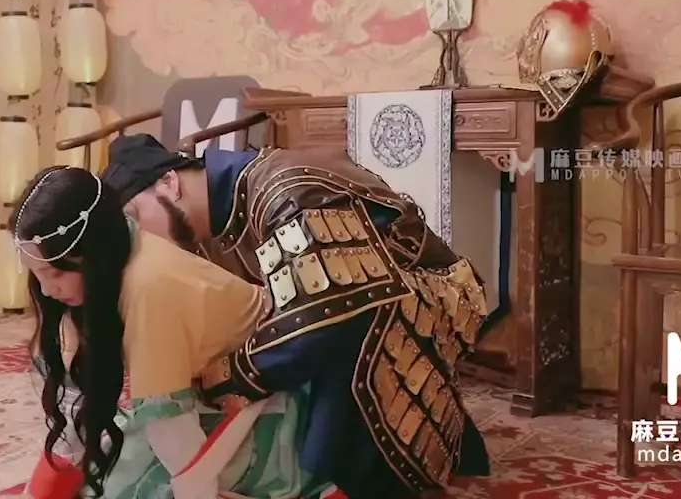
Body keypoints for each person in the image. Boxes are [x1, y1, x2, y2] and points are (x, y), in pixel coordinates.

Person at [97, 133, 492, 498]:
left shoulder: (285, 189)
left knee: (338, 314)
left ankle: (344, 474)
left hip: (405, 306)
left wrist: (225, 376)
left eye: (137, 216)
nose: (142, 239)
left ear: (169, 182)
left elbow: (325, 314)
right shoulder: (202, 232)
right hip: (332, 323)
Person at [15, 165, 337, 499]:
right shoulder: (116, 256)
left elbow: (170, 427)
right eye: (37, 274)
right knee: (105, 470)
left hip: (276, 406)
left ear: (91, 255)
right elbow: (77, 405)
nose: (47, 289)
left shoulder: (151, 287)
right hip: (214, 395)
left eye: (54, 273)